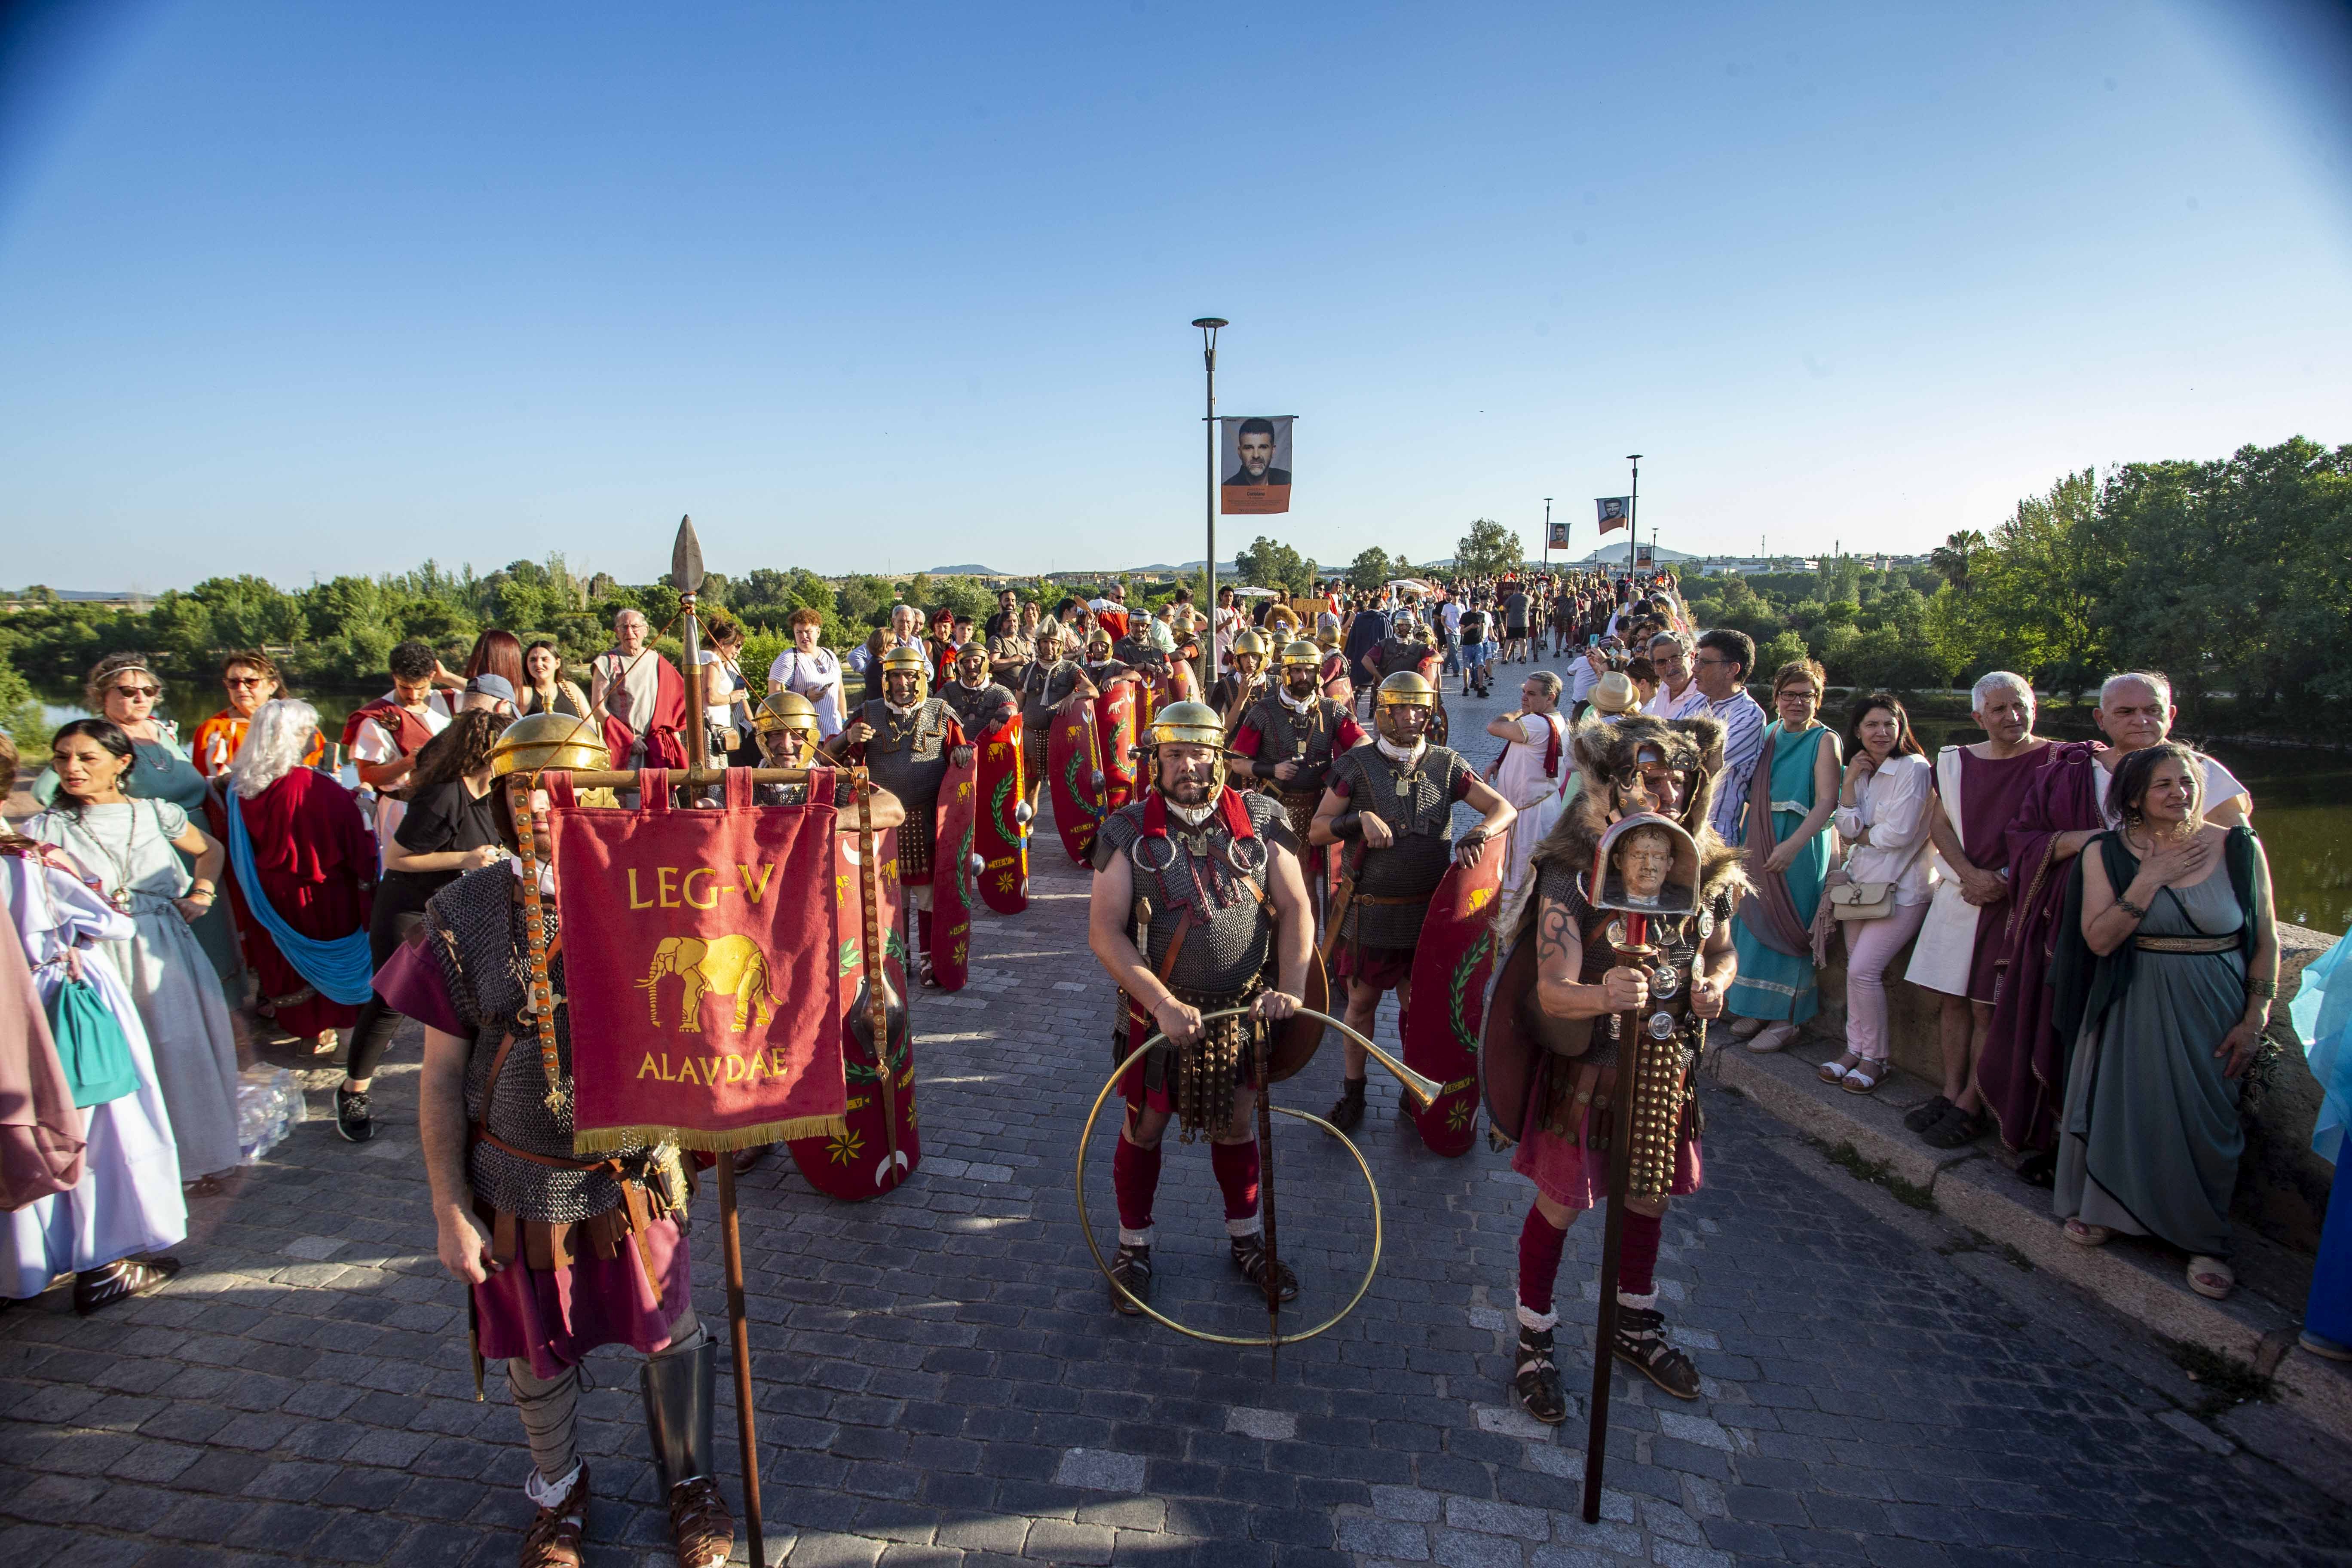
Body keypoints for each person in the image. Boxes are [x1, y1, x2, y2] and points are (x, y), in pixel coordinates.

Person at [377, 716, 734, 1568]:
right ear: (499, 800)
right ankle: (559, 1490)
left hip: (634, 1174)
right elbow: (436, 1078)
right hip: (517, 1184)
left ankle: (689, 1482)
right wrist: (447, 1207)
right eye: (518, 786)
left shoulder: (653, 890)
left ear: (598, 793)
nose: (537, 801)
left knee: (669, 1331)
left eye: (557, 784)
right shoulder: (465, 915)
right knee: (538, 1354)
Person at [1500, 713, 1740, 1420]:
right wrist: (1600, 992)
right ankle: (1533, 1338)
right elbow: (1549, 988)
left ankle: (1634, 1324)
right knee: (1562, 1203)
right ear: (1610, 783)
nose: (1665, 794)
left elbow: (1720, 948)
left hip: (1668, 1066)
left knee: (1649, 1196)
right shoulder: (1573, 871)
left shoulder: (1705, 864)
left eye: (1678, 780)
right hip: (1592, 1070)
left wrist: (1714, 984)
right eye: (1650, 778)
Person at [1086, 701, 1312, 1314]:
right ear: (1155, 760)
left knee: (1236, 1125)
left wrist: (1289, 988)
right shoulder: (1127, 831)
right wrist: (1159, 1004)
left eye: (1200, 753)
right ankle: (1134, 1245)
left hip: (1241, 1012)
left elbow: (1295, 908)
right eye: (1175, 754)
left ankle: (1245, 1238)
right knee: (1146, 1126)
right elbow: (1106, 932)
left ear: (1219, 756)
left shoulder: (1263, 819)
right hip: (1158, 1017)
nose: (1189, 765)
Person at [1978, 670, 2253, 1170]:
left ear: (2171, 715)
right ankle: (2072, 1145)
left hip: (2174, 951)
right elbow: (2023, 841)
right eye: (2126, 712)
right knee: (2078, 1040)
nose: (2142, 721)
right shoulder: (2070, 771)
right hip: (2079, 933)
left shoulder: (2203, 775)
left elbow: (2243, 869)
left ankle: (2144, 1170)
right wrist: (2091, 842)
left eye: (2152, 710)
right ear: (2100, 719)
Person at [2052, 743, 2276, 1302]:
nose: (2181, 794)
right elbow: (2099, 939)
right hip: (2134, 1000)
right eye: (2165, 785)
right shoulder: (2105, 853)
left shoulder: (2238, 848)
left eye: (2188, 782)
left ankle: (2204, 1238)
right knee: (2129, 1106)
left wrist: (2255, 1018)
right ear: (2134, 797)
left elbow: (2266, 940)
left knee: (2210, 1122)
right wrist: (2148, 878)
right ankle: (2110, 1210)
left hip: (2215, 1005)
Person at [1, 739, 189, 1316]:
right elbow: (112, 923)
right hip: (48, 1005)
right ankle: (103, 1258)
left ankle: (16, 1271)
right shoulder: (30, 861)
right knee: (94, 1129)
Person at [28, 720, 244, 1192]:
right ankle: (126, 1167)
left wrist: (202, 895)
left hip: (159, 942)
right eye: (63, 757)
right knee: (116, 1054)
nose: (72, 768)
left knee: (179, 1047)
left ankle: (195, 1157)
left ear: (122, 763)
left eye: (87, 758)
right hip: (93, 953)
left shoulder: (152, 814)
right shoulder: (48, 827)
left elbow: (210, 849)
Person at [1311, 672, 1515, 1130]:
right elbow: (1319, 827)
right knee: (1360, 1007)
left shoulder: (1446, 764)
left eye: (1421, 708)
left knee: (1418, 1012)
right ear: (1384, 711)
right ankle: (1354, 1093)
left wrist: (1480, 831)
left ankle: (1413, 1090)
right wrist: (1358, 819)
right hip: (1372, 915)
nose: (1413, 717)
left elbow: (1504, 809)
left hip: (1427, 917)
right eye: (1403, 708)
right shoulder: (1356, 766)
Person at [336, 710, 508, 1143]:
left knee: (467, 1004)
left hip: (460, 911)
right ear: (486, 750)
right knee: (390, 1004)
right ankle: (352, 1090)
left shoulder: (493, 794)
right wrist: (465, 859)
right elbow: (397, 859)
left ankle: (471, 1096)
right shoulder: (443, 794)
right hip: (410, 907)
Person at [1902, 674, 2054, 1149]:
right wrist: (1969, 874)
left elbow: (2057, 831)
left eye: (2021, 707)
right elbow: (1940, 823)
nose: (2012, 717)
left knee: (1987, 1005)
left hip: (2017, 897)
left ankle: (1973, 1100)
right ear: (1978, 717)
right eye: (1999, 709)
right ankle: (1949, 1091)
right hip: (1964, 891)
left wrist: (2005, 880)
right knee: (1952, 998)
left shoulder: (2060, 760)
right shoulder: (1956, 762)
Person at [37, 654, 245, 999]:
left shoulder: (158, 730)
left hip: (196, 844)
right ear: (102, 695)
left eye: (149, 690)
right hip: (145, 849)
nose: (140, 697)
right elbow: (46, 792)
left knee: (209, 930)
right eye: (127, 690)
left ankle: (214, 1016)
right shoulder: (95, 739)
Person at [222, 701, 378, 1058]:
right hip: (320, 892)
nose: (315, 738)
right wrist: (364, 809)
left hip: (270, 894)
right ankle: (347, 1040)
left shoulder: (242, 786)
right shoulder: (311, 785)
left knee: (289, 960)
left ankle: (310, 1035)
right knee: (337, 958)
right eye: (308, 731)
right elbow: (352, 841)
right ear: (290, 737)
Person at [835, 644, 974, 987]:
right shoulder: (868, 713)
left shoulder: (941, 712)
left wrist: (961, 751)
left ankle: (929, 958)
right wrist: (847, 738)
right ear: (886, 680)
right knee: (890, 895)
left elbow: (966, 754)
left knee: (927, 895)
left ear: (921, 679)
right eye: (896, 676)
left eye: (910, 675)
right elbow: (835, 761)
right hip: (883, 823)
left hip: (927, 820)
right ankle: (899, 956)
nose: (903, 683)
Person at [1817, 692, 1934, 1094]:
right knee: (1856, 971)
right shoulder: (1862, 769)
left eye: (1889, 723)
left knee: (1863, 971)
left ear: (1901, 727)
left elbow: (1899, 835)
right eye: (1872, 725)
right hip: (1862, 886)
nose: (1881, 732)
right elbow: (1844, 825)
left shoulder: (1914, 768)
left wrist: (1861, 834)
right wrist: (1849, 782)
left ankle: (1876, 1059)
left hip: (1903, 889)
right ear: (1858, 730)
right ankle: (1854, 1050)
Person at [1724, 660, 1841, 1051]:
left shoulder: (1825, 740)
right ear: (1776, 699)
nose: (1796, 702)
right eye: (1789, 695)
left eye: (1806, 695)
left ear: (1817, 700)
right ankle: (1755, 1007)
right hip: (1758, 834)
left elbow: (1827, 802)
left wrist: (1792, 846)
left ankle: (1786, 1018)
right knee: (1752, 923)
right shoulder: (1770, 733)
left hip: (1800, 842)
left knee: (1790, 926)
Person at [1231, 639, 1368, 846]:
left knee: (1313, 875)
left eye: (1310, 671)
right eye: (1297, 670)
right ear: (1286, 673)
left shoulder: (1331, 710)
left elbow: (1364, 743)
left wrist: (1339, 770)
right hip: (1274, 804)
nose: (1304, 677)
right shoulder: (1264, 710)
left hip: (1319, 808)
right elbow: (1238, 763)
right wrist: (1273, 770)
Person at [345, 638, 454, 862]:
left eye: (420, 687)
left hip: (445, 807)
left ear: (432, 676)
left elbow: (498, 696)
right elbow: (367, 775)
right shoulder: (375, 718)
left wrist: (449, 677)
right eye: (405, 687)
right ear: (394, 676)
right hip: (401, 810)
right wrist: (406, 763)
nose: (413, 696)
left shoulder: (447, 702)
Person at [1485, 671, 1567, 907]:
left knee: (1520, 870)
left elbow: (1495, 726)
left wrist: (1518, 713)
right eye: (1523, 692)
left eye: (1531, 694)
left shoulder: (1535, 722)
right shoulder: (1557, 721)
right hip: (1541, 806)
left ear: (1550, 698)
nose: (1524, 697)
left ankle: (1514, 918)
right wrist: (1499, 763)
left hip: (1528, 814)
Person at [190, 651, 328, 780]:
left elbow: (321, 772)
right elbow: (200, 785)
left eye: (251, 682)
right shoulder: (212, 729)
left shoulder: (298, 724)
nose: (241, 688)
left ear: (272, 686)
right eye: (233, 682)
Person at [1690, 629, 1767, 847]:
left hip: (1714, 834)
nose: (1695, 669)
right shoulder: (1696, 703)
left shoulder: (1749, 716)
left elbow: (1698, 762)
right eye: (1696, 661)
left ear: (1732, 669)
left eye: (1704, 663)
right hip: (1681, 825)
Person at [588, 609, 689, 771]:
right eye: (624, 627)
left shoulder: (658, 661)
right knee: (631, 794)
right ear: (617, 632)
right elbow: (598, 709)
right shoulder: (605, 662)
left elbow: (680, 704)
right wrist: (628, 739)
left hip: (659, 749)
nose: (630, 632)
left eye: (635, 627)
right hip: (627, 749)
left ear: (645, 630)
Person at [697, 615, 755, 765]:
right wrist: (732, 698)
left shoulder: (720, 663)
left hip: (719, 730)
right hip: (710, 730)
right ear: (723, 643)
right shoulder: (710, 660)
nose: (740, 650)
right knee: (713, 779)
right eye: (737, 646)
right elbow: (710, 698)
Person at [939, 640, 1018, 737]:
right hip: (956, 749)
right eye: (967, 661)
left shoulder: (1000, 692)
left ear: (985, 663)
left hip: (989, 749)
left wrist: (1007, 712)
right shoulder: (948, 692)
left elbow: (1012, 708)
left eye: (976, 661)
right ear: (960, 665)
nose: (972, 666)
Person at [1212, 629, 1271, 735]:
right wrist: (1241, 699)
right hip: (1234, 751)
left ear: (1262, 658)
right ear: (1238, 660)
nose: (1250, 660)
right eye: (1244, 656)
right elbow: (1221, 734)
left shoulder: (1276, 684)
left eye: (1254, 655)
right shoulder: (1225, 686)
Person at [517, 641, 591, 719]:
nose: (538, 664)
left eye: (545, 659)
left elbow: (591, 726)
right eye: (533, 660)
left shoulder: (571, 690)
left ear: (557, 663)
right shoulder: (523, 694)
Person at [1643, 631, 1706, 721]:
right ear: (1654, 667)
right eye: (1661, 662)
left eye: (1676, 659)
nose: (1670, 667)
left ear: (1692, 657)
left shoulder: (1704, 695)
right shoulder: (1664, 687)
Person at [1222, 417, 1291, 488]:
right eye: (1249, 448)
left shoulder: (1285, 480)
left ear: (1273, 451)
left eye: (1263, 447)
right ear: (1240, 453)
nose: (1256, 456)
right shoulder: (1228, 488)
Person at [1456, 599, 1492, 698]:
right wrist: (1471, 627)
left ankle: (1480, 687)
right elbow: (1462, 632)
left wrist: (1483, 638)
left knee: (1480, 665)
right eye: (1474, 605)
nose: (1475, 607)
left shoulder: (1481, 616)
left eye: (1477, 605)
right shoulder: (1465, 616)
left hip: (1478, 644)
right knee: (1467, 666)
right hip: (1467, 644)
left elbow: (1483, 626)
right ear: (1471, 605)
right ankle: (1466, 687)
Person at [1501, 581, 1531, 664]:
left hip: (1512, 622)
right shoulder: (1528, 598)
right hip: (1523, 622)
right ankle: (1523, 659)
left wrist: (1509, 610)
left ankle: (1505, 658)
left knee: (1509, 641)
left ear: (1518, 589)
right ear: (1526, 590)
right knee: (1523, 641)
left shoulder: (1512, 598)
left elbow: (1505, 608)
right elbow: (1532, 601)